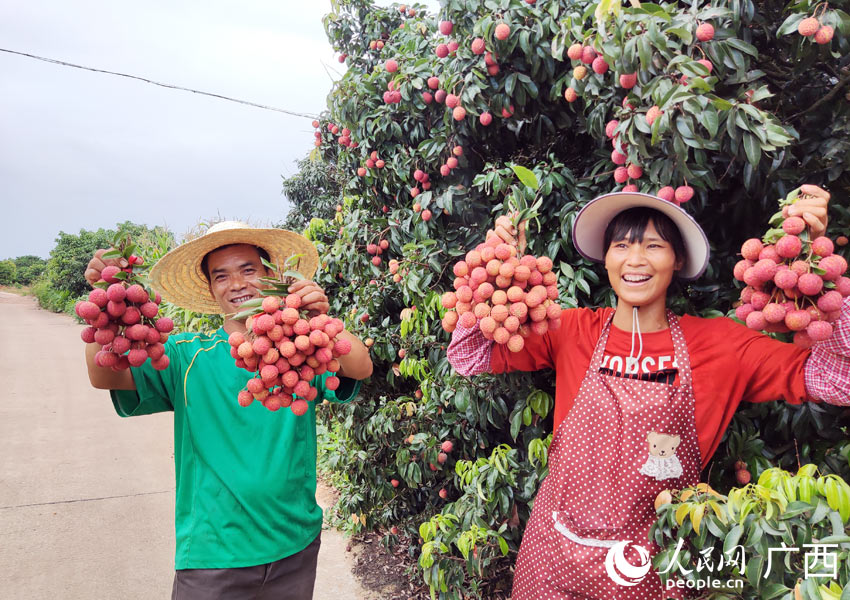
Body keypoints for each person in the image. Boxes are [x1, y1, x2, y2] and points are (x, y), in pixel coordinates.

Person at [447, 187, 850, 599]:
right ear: (606, 259)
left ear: (677, 260)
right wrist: (494, 270)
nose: (635, 259)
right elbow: (467, 355)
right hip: (554, 557)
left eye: (653, 246)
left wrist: (821, 278)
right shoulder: (571, 330)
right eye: (621, 245)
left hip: (654, 569)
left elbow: (840, 381)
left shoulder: (722, 345)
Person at [83, 221, 373, 600]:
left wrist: (320, 318)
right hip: (213, 554)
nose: (236, 283)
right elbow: (104, 374)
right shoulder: (186, 355)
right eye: (221, 275)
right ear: (211, 288)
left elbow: (361, 366)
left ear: (272, 276)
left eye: (248, 270)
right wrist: (104, 301)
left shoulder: (300, 353)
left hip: (296, 543)